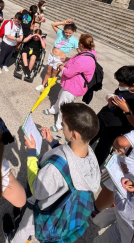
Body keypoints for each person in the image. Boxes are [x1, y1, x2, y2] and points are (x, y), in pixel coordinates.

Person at [8, 103, 100, 243]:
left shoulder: (54, 169)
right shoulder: (90, 154)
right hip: (58, 208)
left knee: (24, 228)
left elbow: (37, 189)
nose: (61, 128)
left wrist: (32, 153)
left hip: (41, 211)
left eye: (63, 125)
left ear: (74, 135)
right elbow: (72, 158)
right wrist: (52, 142)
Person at [90, 65, 134, 167]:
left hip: (113, 129)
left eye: (121, 83)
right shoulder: (125, 88)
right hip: (102, 117)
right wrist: (111, 100)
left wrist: (127, 110)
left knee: (102, 149)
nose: (119, 85)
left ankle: (93, 168)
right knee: (88, 136)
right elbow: (115, 94)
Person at [93, 151, 134, 243]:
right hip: (122, 227)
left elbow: (124, 208)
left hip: (132, 237)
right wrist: (133, 187)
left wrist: (117, 181)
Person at [44, 33, 97, 132]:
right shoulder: (88, 52)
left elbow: (68, 73)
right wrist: (67, 60)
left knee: (64, 105)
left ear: (81, 45)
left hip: (74, 86)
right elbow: (75, 62)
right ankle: (54, 109)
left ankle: (59, 124)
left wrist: (60, 66)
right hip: (70, 83)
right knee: (60, 97)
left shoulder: (84, 59)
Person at [36, 19, 79, 92]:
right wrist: (63, 22)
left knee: (53, 74)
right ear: (64, 30)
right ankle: (43, 85)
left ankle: (48, 87)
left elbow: (80, 53)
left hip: (59, 59)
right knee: (48, 72)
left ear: (73, 32)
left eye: (70, 33)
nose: (67, 34)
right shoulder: (61, 33)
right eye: (66, 32)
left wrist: (69, 59)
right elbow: (53, 24)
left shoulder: (75, 41)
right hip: (52, 55)